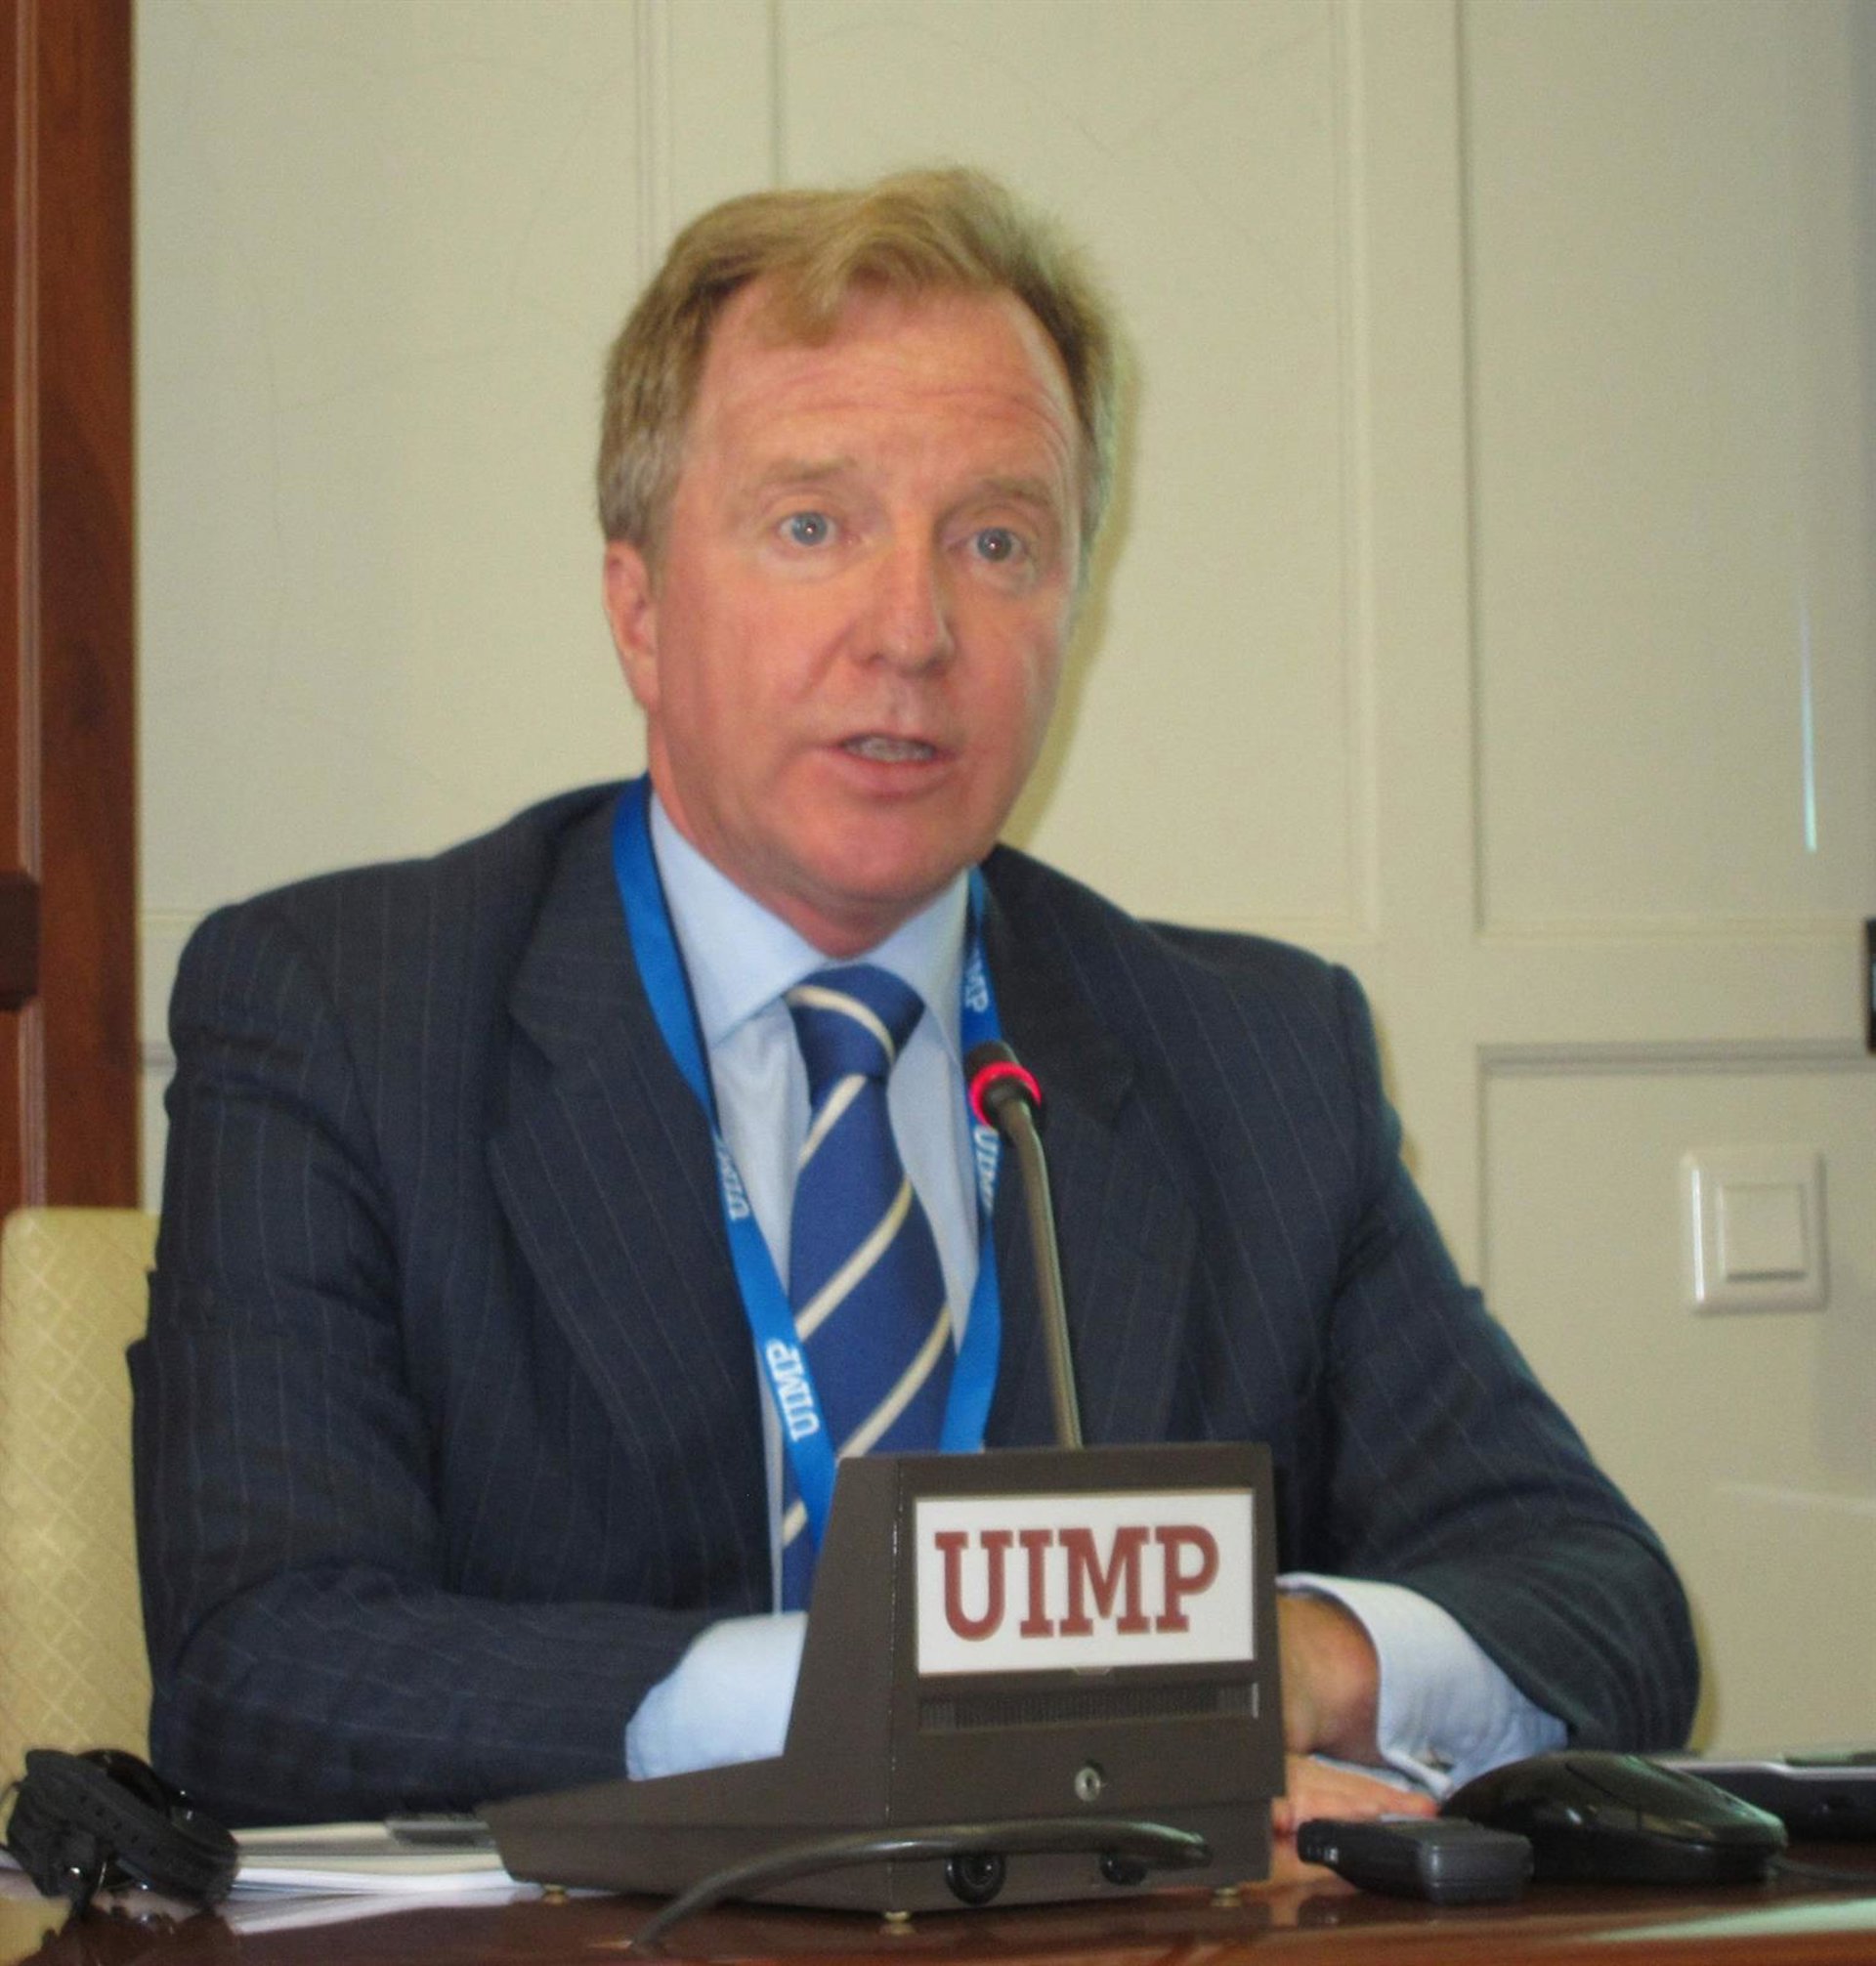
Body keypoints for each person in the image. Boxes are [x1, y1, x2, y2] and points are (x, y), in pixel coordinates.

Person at [132, 168, 1698, 1849]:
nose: (914, 631)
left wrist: (1273, 1662)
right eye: (814, 526)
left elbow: (1599, 1602)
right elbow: (262, 1666)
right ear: (641, 611)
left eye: (996, 542)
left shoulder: (1258, 1061)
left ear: (1074, 607)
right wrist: (867, 1707)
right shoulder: (344, 1017)